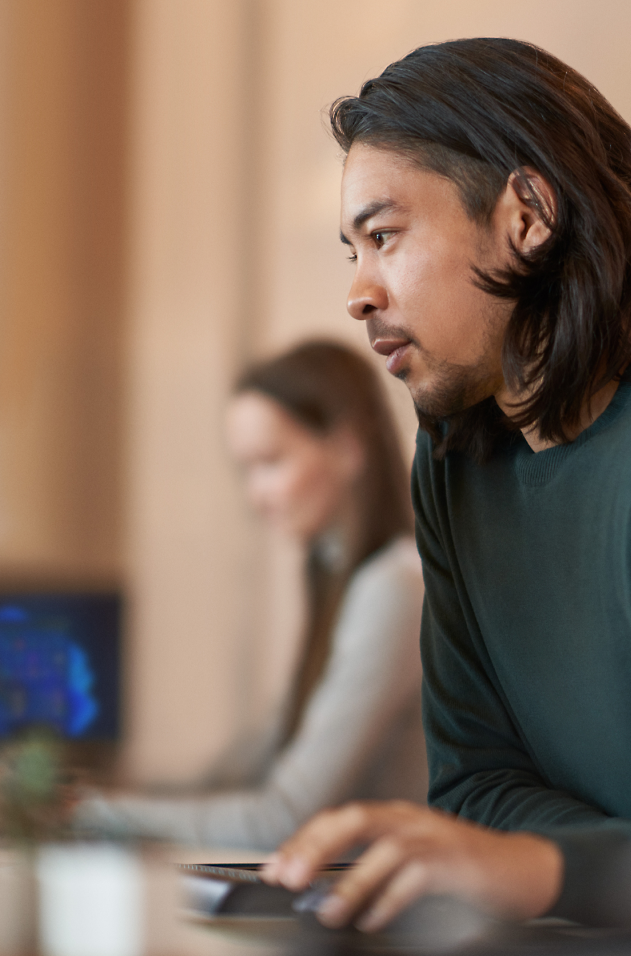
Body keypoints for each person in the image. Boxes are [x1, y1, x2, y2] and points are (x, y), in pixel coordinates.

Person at [261, 39, 631, 932]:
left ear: (526, 215)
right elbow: (475, 787)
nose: (359, 293)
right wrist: (605, 869)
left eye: (383, 237)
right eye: (352, 251)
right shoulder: (455, 462)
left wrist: (546, 868)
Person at [76, 340, 428, 849]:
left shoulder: (393, 587)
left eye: (269, 462)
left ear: (348, 448)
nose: (254, 497)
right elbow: (243, 770)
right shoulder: (336, 577)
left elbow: (283, 817)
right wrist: (96, 799)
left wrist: (92, 813)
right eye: (246, 471)